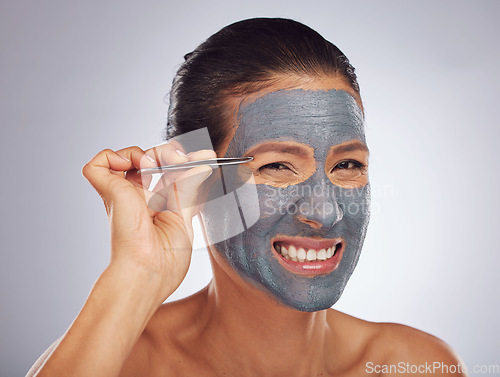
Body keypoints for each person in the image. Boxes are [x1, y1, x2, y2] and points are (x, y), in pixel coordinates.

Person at [28, 18, 466, 377]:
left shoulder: (415, 366)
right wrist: (137, 275)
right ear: (191, 178)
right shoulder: (122, 363)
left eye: (347, 165)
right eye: (276, 166)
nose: (325, 212)